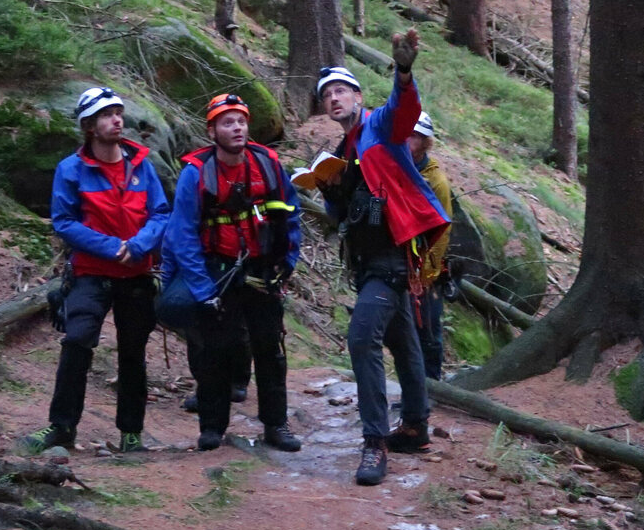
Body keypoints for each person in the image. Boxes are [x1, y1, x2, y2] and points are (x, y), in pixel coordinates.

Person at [315, 29, 450, 485]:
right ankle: (414, 426)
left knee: (361, 340)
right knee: (404, 345)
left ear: (356, 96)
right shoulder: (340, 152)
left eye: (341, 91)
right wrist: (331, 192)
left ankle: (374, 443)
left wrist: (405, 70)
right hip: (367, 261)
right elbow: (342, 216)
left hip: (392, 256)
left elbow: (405, 110)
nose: (334, 99)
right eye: (327, 95)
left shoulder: (380, 125)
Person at [23, 87, 170, 454]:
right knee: (76, 342)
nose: (117, 120)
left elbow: (161, 213)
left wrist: (136, 246)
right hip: (91, 273)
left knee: (133, 351)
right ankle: (61, 427)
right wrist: (111, 248)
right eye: (107, 115)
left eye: (118, 112)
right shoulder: (71, 169)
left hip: (136, 274)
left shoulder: (141, 164)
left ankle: (131, 433)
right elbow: (65, 222)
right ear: (89, 125)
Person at [164, 93, 302, 452]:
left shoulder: (267, 163)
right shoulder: (196, 173)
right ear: (212, 131)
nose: (237, 127)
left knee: (270, 349)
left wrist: (287, 262)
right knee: (215, 351)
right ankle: (212, 427)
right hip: (218, 271)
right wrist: (202, 290)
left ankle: (276, 425)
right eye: (228, 122)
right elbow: (183, 235)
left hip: (262, 271)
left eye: (241, 120)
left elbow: (290, 213)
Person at [407, 111, 454, 380]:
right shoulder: (398, 170)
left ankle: (432, 385)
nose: (407, 142)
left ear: (425, 142)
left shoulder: (436, 182)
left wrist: (425, 275)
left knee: (429, 332)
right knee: (407, 332)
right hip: (400, 264)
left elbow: (443, 230)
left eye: (414, 137)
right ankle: (412, 387)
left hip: (426, 271)